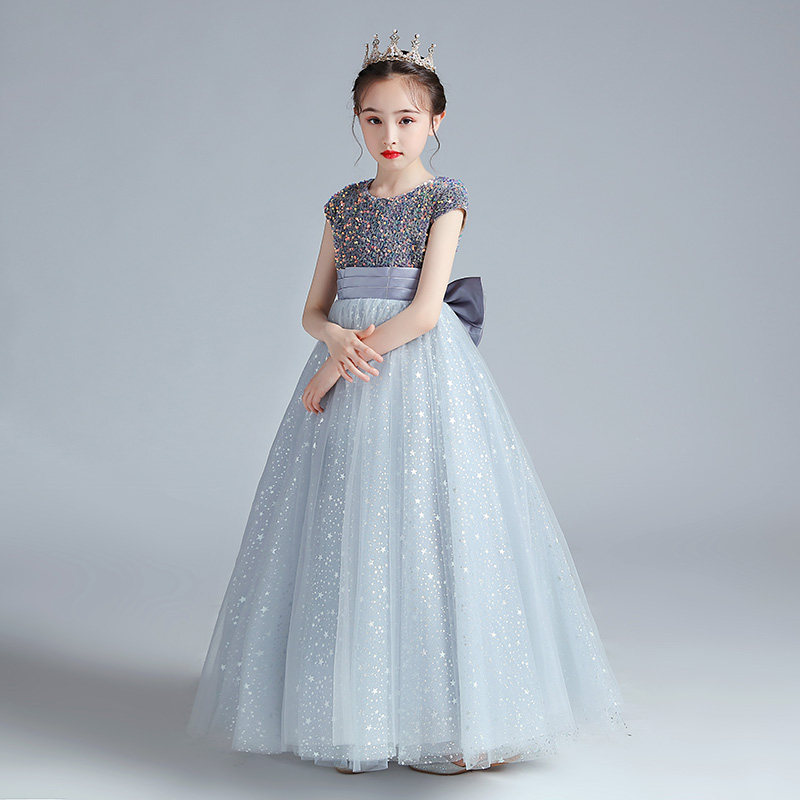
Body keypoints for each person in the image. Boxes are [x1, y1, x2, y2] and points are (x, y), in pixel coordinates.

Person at [186, 29, 628, 775]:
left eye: (406, 118)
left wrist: (337, 368)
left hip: (416, 373)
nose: (389, 134)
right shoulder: (343, 206)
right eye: (373, 118)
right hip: (350, 366)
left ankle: (446, 720)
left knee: (425, 526)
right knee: (344, 530)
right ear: (356, 120)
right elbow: (313, 309)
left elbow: (426, 312)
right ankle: (350, 716)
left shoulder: (443, 200)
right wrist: (332, 343)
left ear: (436, 121)